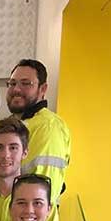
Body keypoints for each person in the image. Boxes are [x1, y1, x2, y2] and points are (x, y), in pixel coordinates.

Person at [6, 59, 71, 205]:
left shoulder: (48, 126)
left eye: (25, 83)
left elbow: (40, 196)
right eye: (12, 83)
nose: (16, 89)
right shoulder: (11, 125)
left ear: (43, 89)